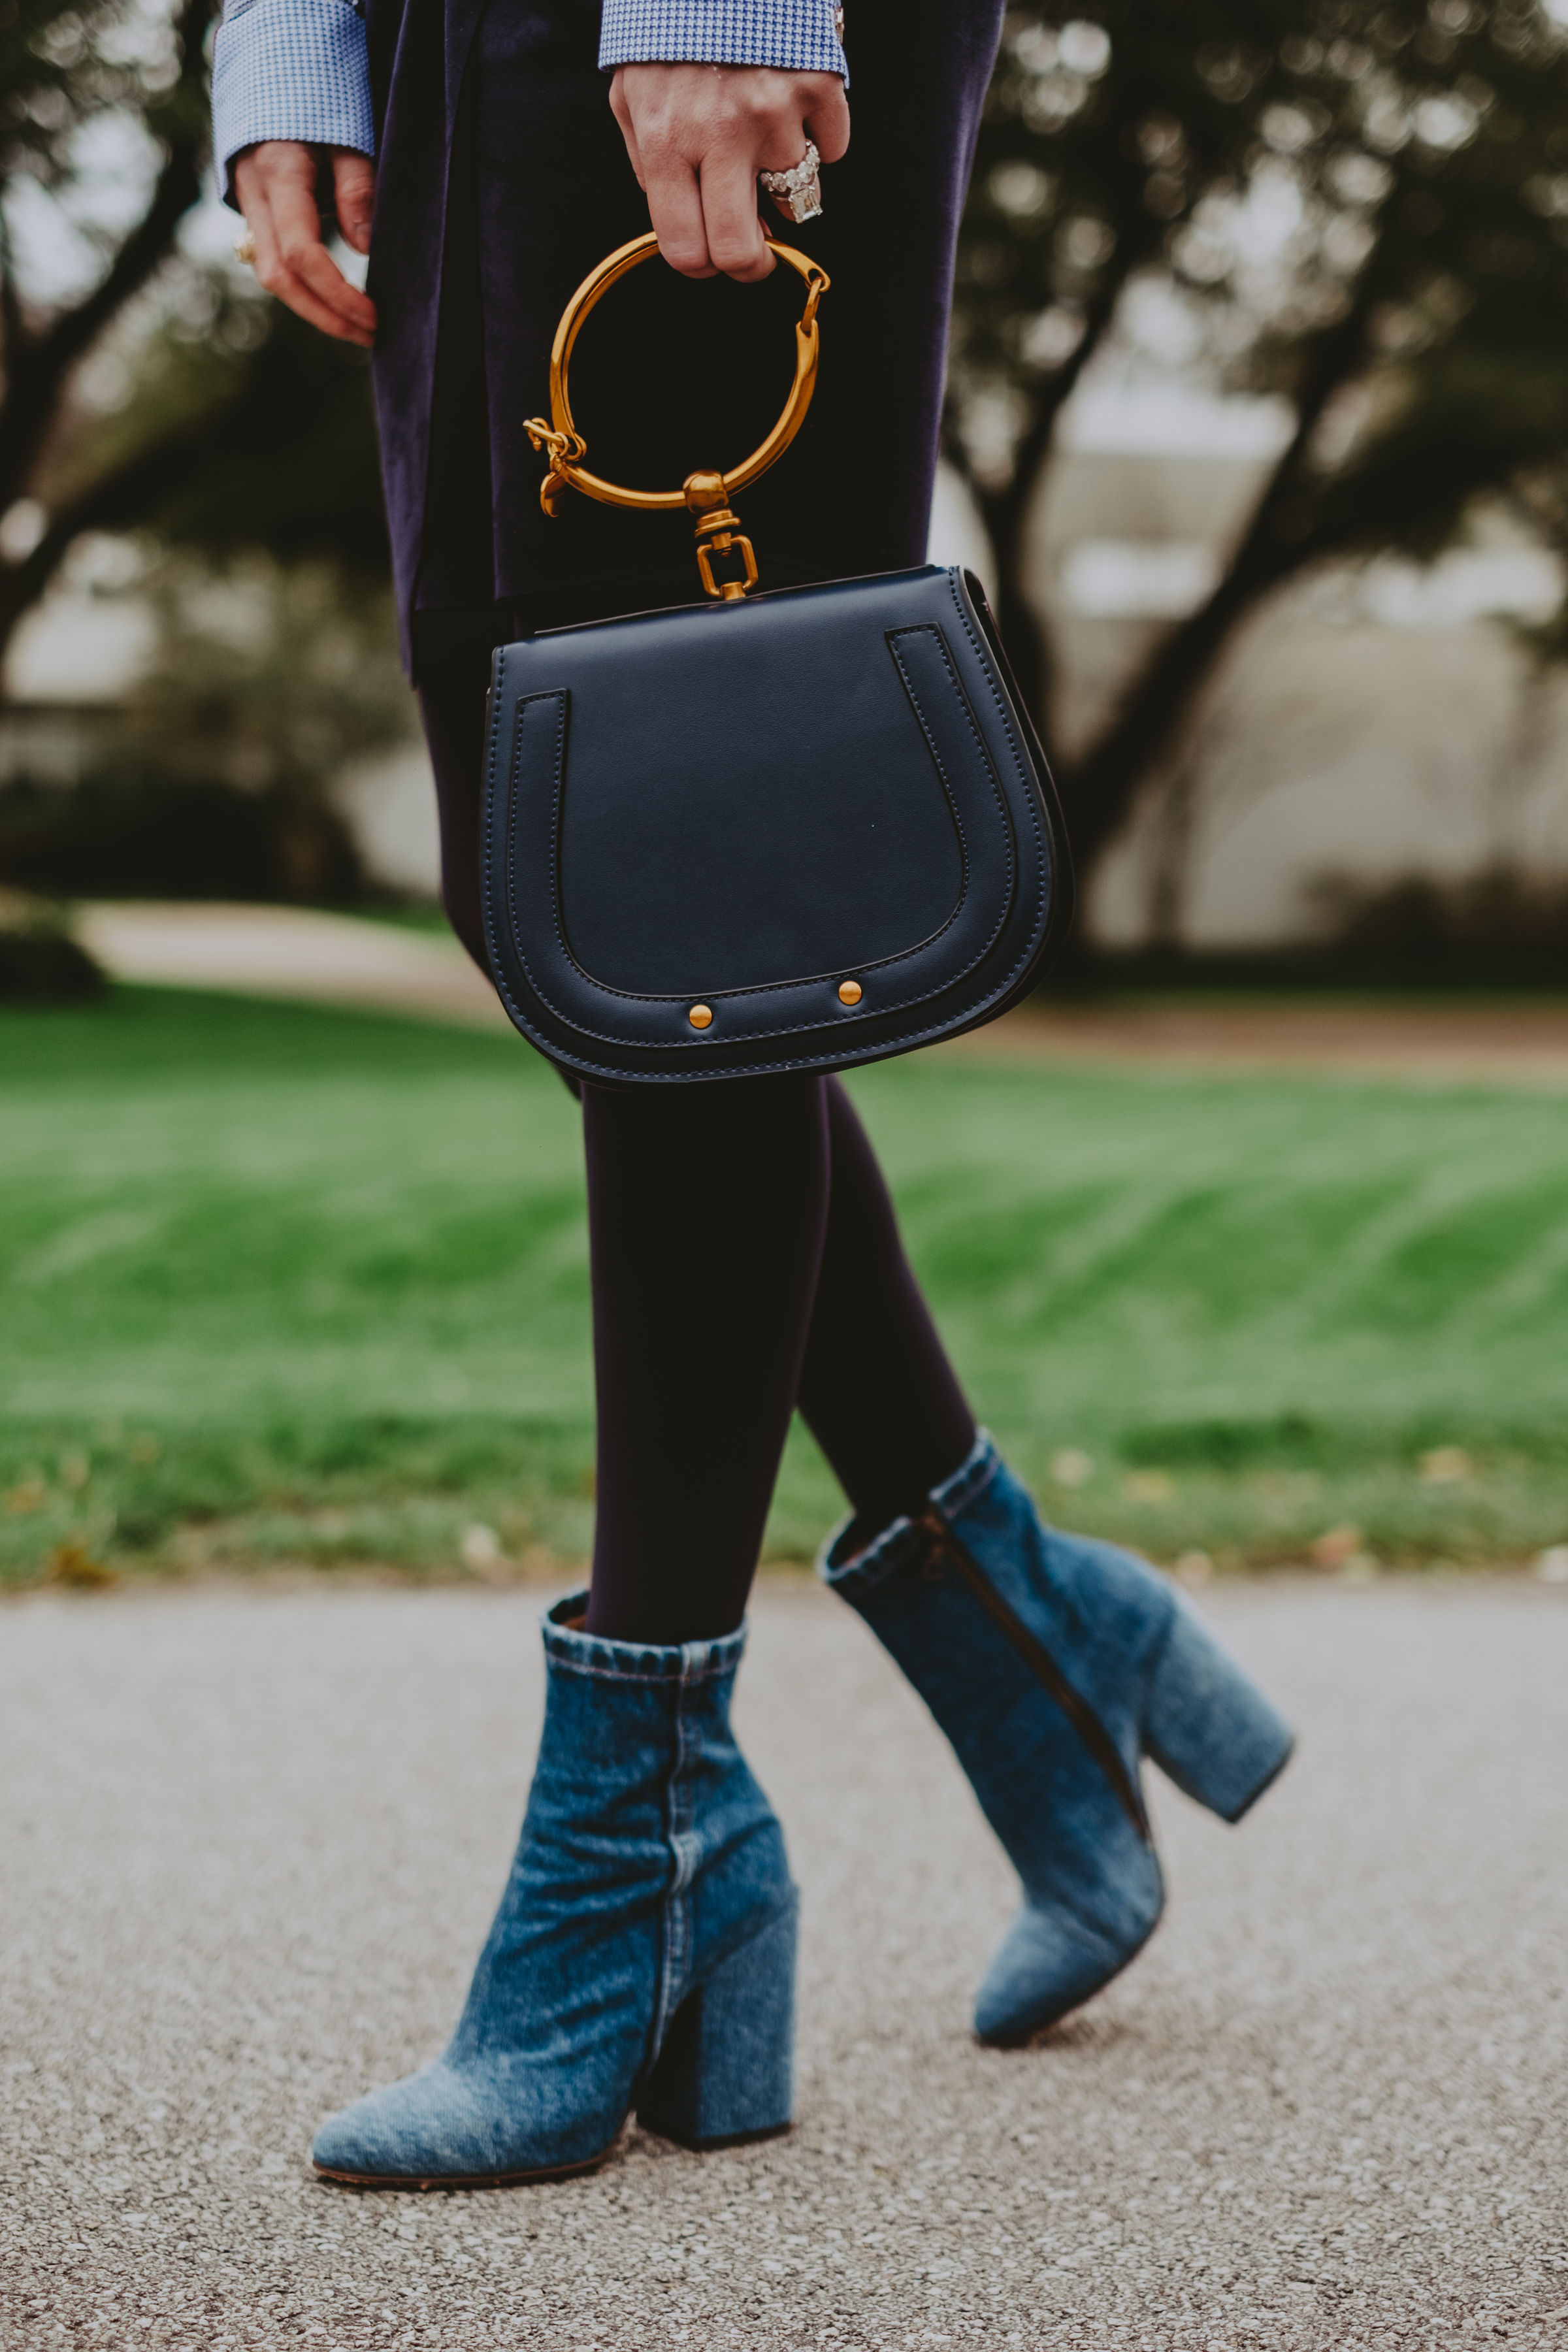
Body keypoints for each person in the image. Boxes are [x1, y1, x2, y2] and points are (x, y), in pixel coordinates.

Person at [212, 0, 1294, 2191]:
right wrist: (293, 60)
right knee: (573, 897)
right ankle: (1025, 1626)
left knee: (683, 882)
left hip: (691, 44)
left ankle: (654, 1829)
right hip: (454, 65)